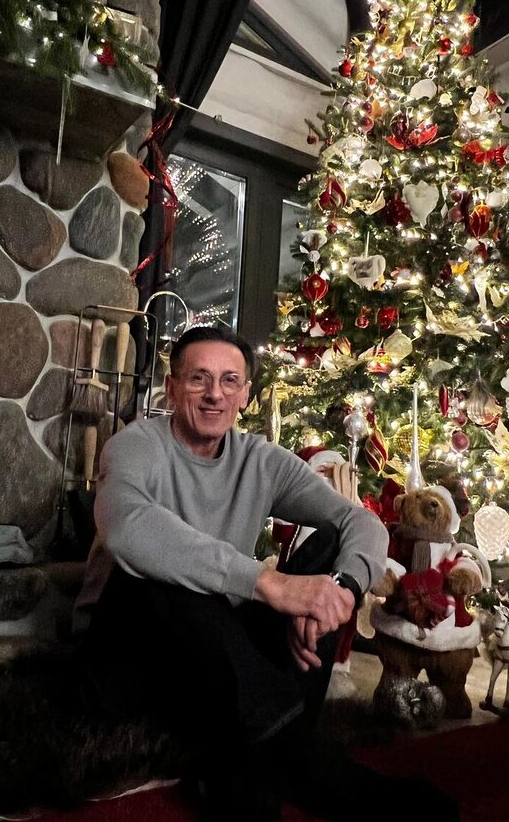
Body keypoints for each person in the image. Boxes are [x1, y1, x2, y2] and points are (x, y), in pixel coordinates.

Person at [74, 325, 458, 821]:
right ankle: (308, 762)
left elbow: (359, 522)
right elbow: (126, 528)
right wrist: (270, 584)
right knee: (164, 577)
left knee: (330, 549)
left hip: (215, 647)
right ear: (172, 388)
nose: (215, 394)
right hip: (127, 648)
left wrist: (340, 592)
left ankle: (261, 755)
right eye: (199, 378)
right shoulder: (135, 446)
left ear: (245, 395)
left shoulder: (259, 460)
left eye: (230, 381)